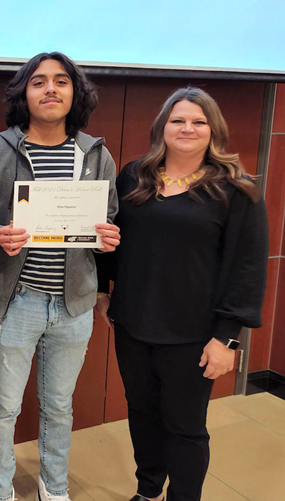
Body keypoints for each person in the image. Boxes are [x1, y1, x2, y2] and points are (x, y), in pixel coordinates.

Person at [97, 87, 267, 501]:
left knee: (186, 427)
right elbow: (111, 238)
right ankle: (149, 490)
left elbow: (247, 267)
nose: (187, 128)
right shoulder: (134, 175)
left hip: (195, 332)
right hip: (133, 322)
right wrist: (103, 291)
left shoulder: (236, 190)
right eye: (178, 120)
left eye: (198, 121)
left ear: (214, 130)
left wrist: (227, 338)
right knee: (141, 414)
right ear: (162, 127)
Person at [0, 52, 121, 501]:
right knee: (5, 407)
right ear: (25, 93)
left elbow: (109, 215)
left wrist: (106, 237)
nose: (51, 89)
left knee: (59, 406)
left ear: (75, 92)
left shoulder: (95, 154)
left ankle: (53, 488)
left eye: (61, 81)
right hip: (13, 299)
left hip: (74, 304)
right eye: (39, 82)